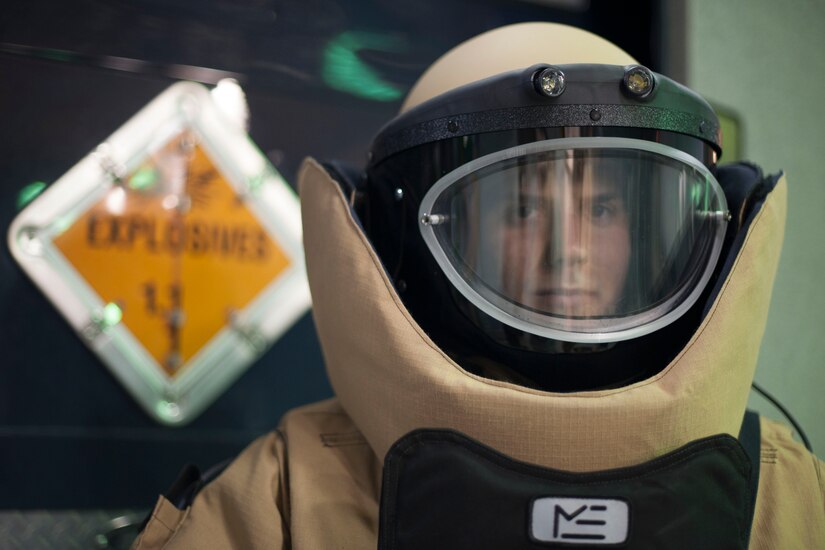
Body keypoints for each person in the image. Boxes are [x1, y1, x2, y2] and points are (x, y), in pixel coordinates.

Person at [133, 22, 825, 549]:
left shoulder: (786, 492)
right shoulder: (286, 494)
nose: (569, 253)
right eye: (522, 209)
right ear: (404, 238)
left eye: (605, 209)